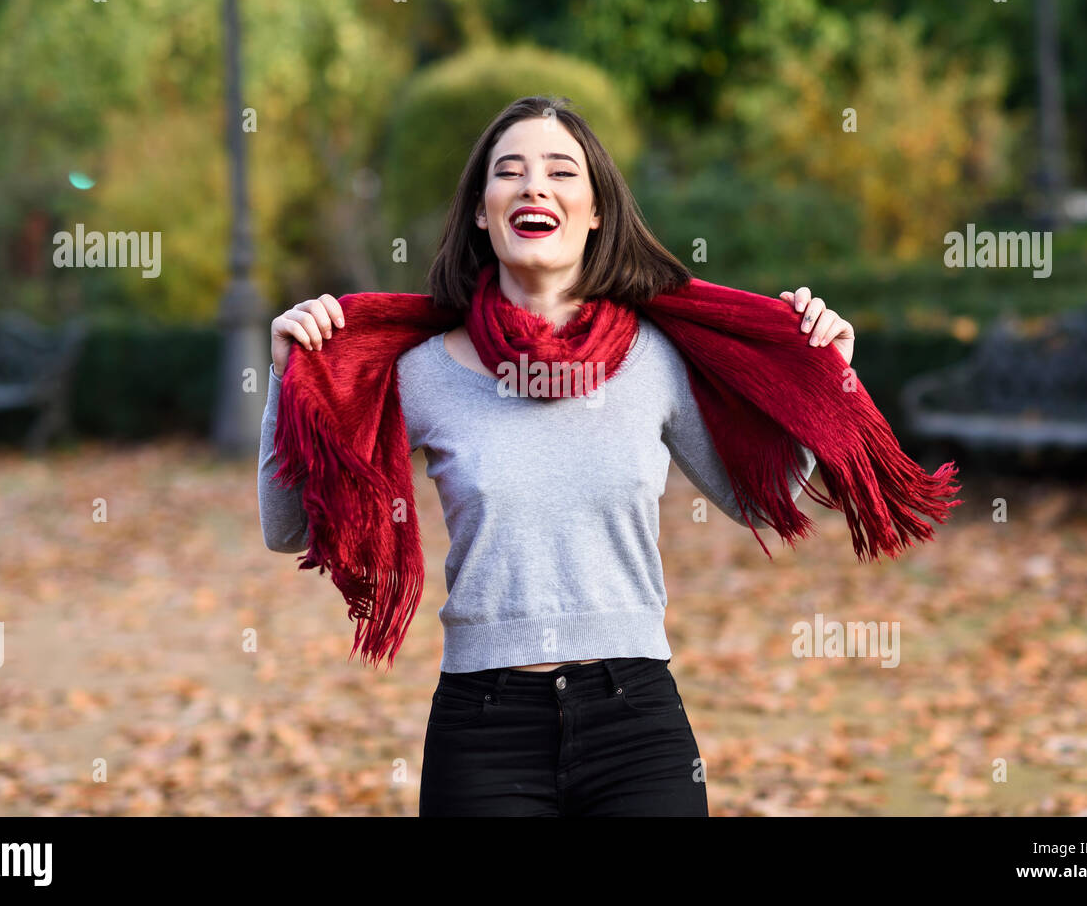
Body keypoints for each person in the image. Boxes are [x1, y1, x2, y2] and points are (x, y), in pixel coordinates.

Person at [258, 95, 857, 816]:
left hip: (635, 718)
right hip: (484, 727)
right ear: (482, 212)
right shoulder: (422, 370)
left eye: (560, 171)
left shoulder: (652, 356)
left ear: (597, 209)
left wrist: (830, 381)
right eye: (508, 171)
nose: (534, 185)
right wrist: (289, 379)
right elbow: (287, 527)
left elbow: (762, 502)